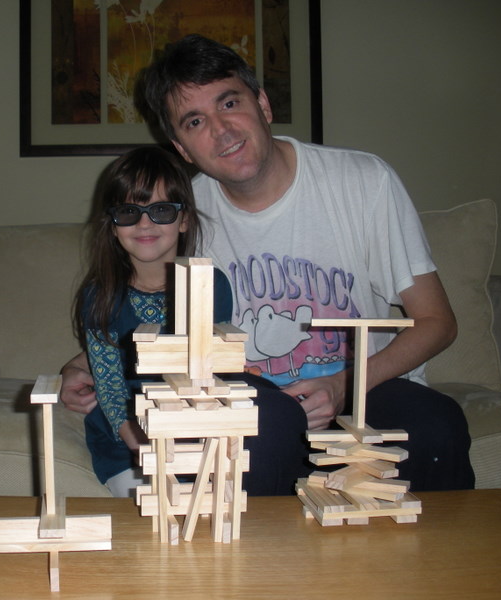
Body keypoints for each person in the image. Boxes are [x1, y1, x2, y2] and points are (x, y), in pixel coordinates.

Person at [62, 34, 475, 493]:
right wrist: (81, 366)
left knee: (436, 427)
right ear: (182, 148)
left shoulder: (363, 181)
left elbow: (437, 322)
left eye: (229, 103)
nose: (222, 130)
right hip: (251, 401)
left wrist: (344, 384)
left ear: (262, 103)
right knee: (259, 430)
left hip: (365, 388)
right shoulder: (176, 215)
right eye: (195, 121)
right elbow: (145, 314)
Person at [73, 146, 233, 497]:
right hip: (127, 437)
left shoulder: (210, 285)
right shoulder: (99, 295)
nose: (144, 223)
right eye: (129, 212)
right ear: (113, 225)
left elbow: (211, 376)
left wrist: (188, 440)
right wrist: (138, 439)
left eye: (161, 210)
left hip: (194, 429)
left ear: (184, 219)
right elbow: (109, 384)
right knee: (149, 505)